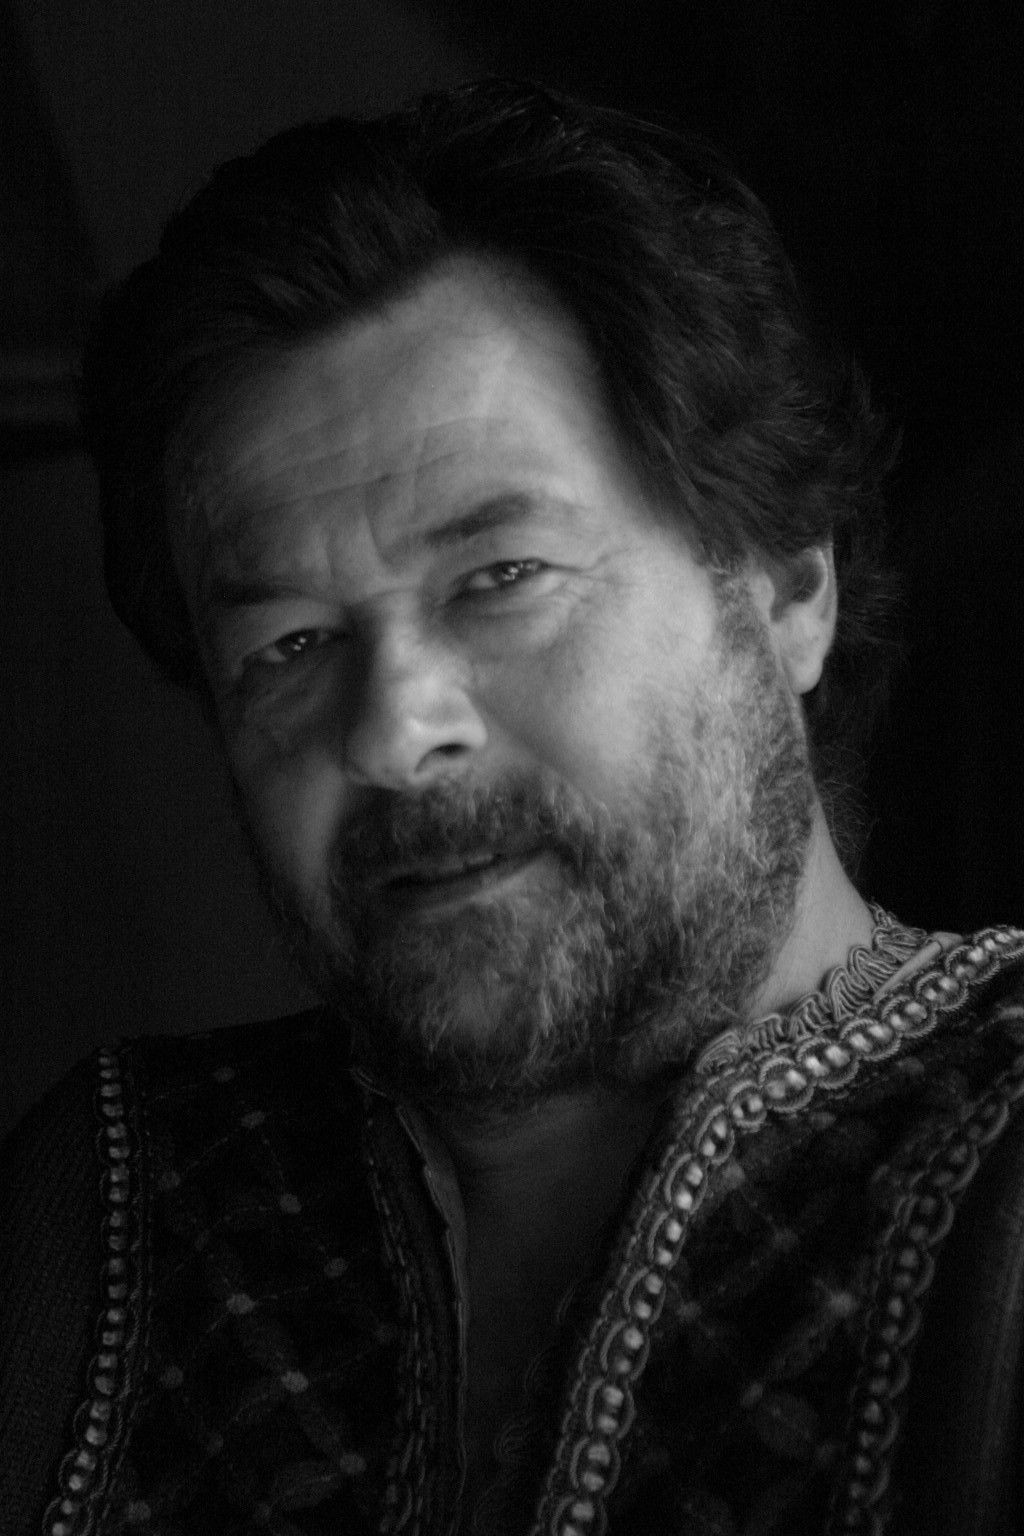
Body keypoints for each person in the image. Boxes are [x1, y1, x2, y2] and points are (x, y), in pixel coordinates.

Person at [2, 78, 1022, 1536]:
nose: (391, 730)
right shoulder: (107, 1211)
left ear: (789, 592)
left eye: (502, 577)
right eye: (288, 644)